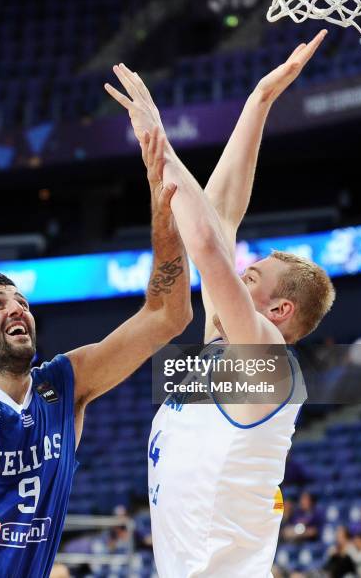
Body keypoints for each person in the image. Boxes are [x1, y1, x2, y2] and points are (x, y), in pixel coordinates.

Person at [0, 125, 192, 576]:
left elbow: (168, 315)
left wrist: (164, 216)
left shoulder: (63, 385)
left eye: (22, 302)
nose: (16, 308)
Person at [106, 30, 335, 577]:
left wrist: (158, 146)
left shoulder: (266, 359)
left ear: (278, 312)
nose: (235, 276)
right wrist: (258, 101)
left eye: (250, 277)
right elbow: (221, 216)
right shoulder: (223, 348)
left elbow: (207, 244)